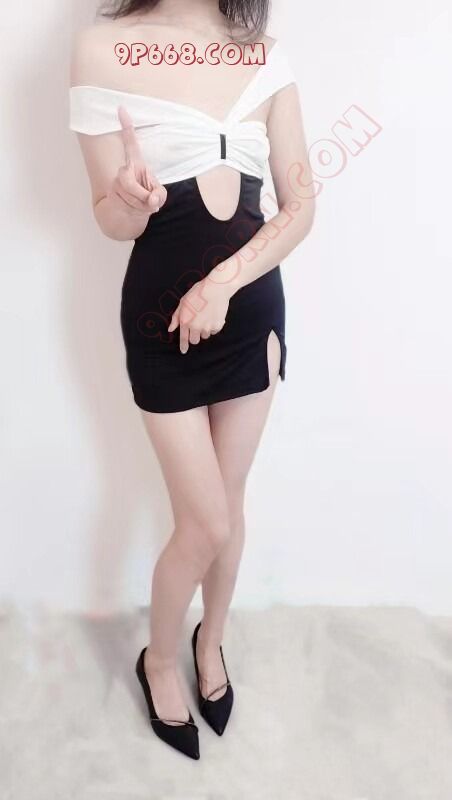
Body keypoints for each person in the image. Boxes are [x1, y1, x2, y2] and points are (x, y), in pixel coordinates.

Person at [69, 0, 315, 760]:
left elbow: (301, 203)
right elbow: (109, 218)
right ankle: (159, 659)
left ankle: (212, 643)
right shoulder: (104, 48)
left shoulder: (263, 54)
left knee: (227, 510)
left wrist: (223, 285)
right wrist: (128, 202)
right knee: (203, 521)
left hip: (249, 313)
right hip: (160, 320)